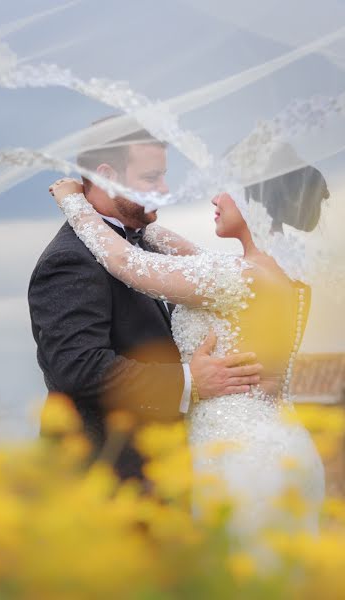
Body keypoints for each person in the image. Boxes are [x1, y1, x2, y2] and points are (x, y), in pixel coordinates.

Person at [49, 162, 328, 537]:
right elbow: (177, 250)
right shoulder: (270, 272)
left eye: (227, 187)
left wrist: (75, 203)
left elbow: (126, 262)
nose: (215, 197)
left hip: (238, 453)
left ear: (255, 201)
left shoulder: (240, 276)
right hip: (275, 440)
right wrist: (133, 211)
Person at [28, 121, 261, 484]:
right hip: (104, 480)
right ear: (106, 175)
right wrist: (189, 380)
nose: (164, 190)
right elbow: (79, 368)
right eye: (152, 178)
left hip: (157, 475)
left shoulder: (141, 247)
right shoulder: (69, 261)